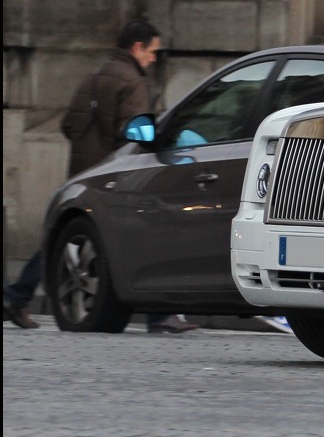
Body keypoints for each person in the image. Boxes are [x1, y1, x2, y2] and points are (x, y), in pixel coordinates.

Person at [3, 20, 196, 333]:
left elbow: (68, 124)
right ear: (137, 47)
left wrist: (89, 150)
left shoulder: (94, 77)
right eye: (152, 52)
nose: (154, 59)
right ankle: (160, 315)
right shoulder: (131, 81)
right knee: (146, 234)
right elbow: (135, 135)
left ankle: (17, 296)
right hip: (115, 176)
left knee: (65, 239)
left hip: (83, 173)